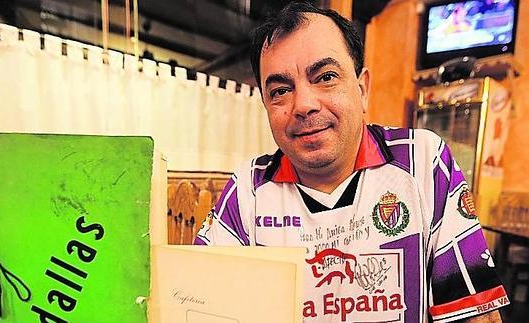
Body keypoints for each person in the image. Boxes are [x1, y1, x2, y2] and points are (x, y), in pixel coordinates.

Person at [194, 1, 508, 322]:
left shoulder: (423, 163)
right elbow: (200, 303)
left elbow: (476, 314)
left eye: (326, 76)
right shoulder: (248, 189)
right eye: (280, 91)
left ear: (362, 89)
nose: (303, 105)